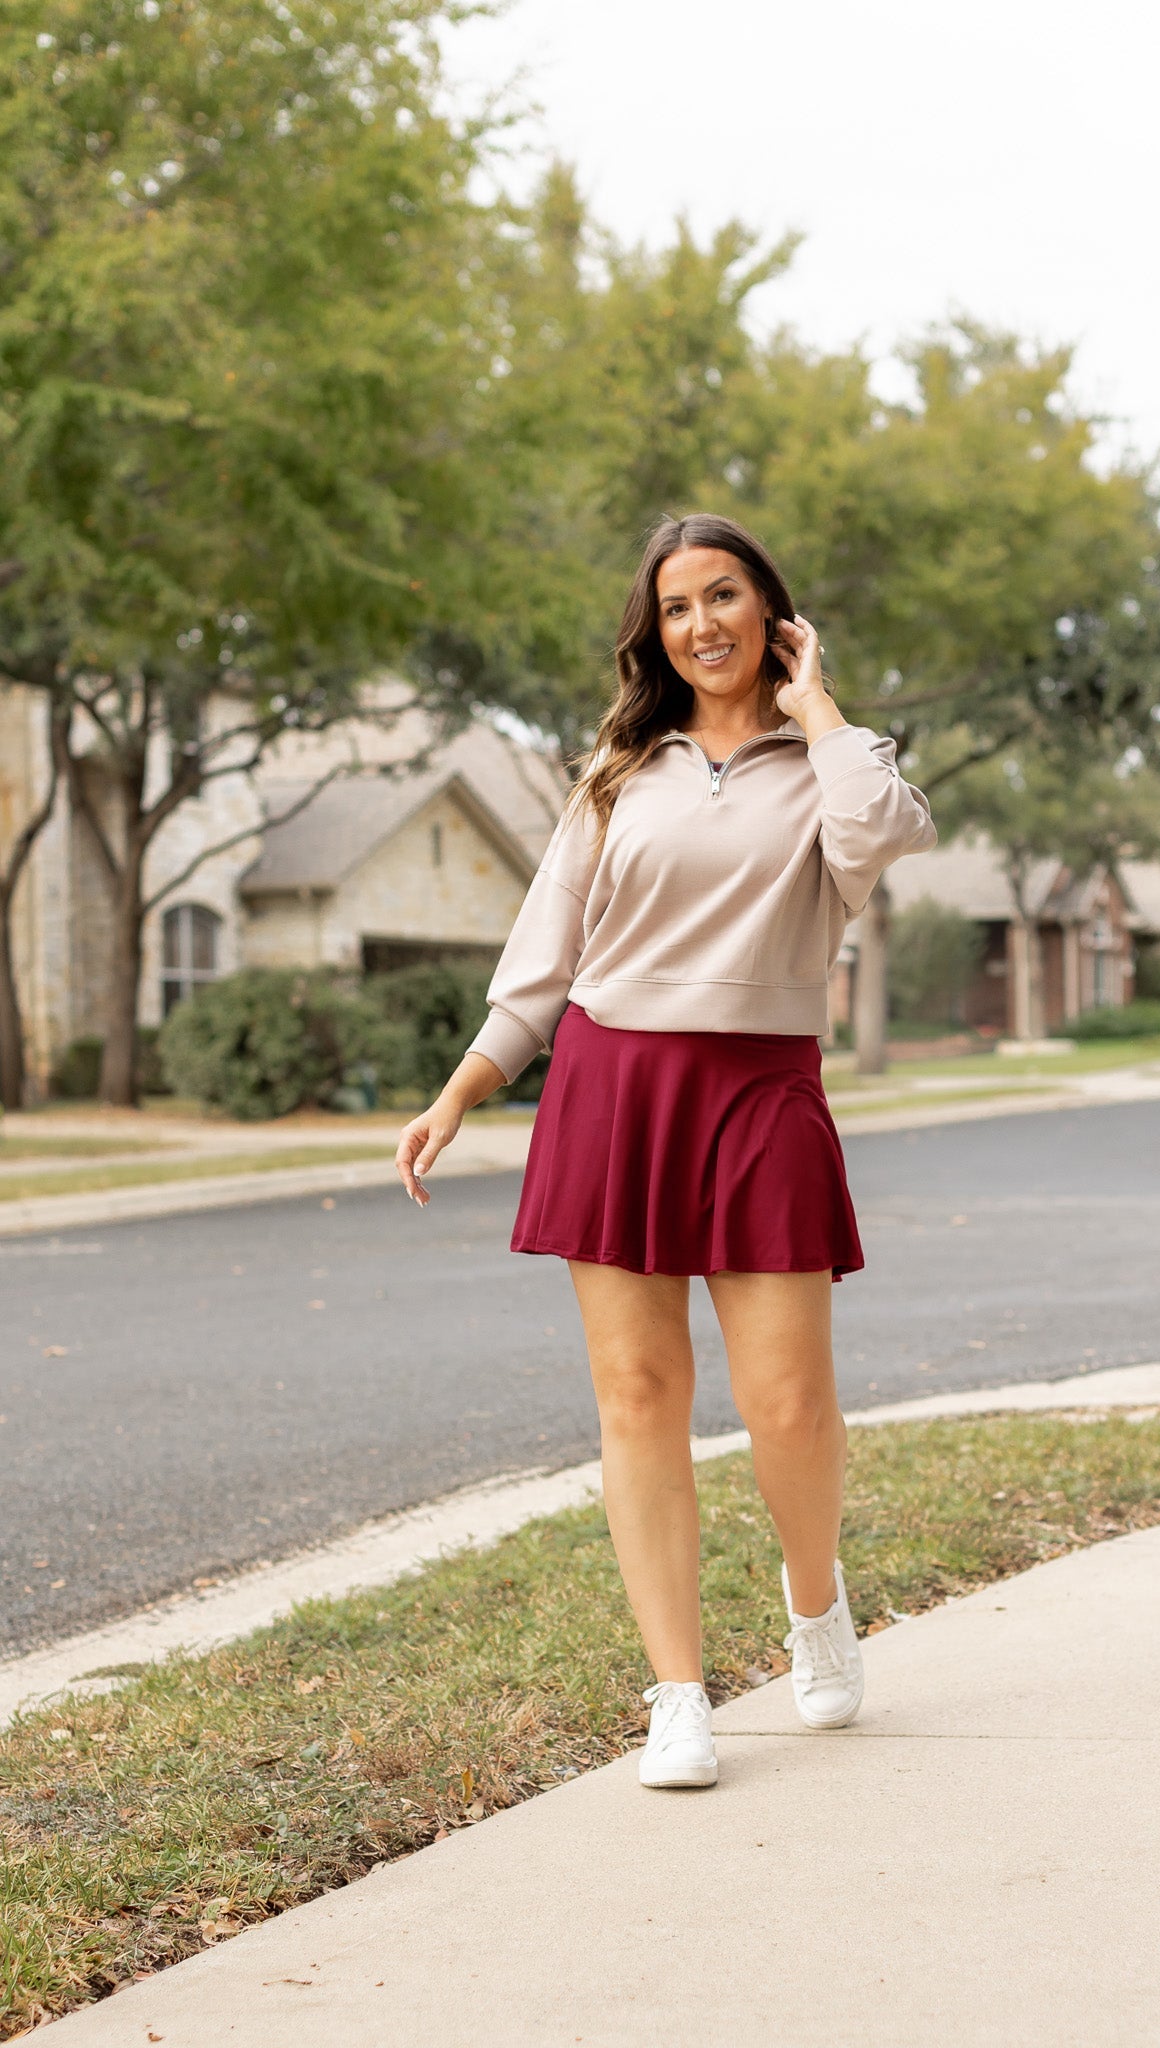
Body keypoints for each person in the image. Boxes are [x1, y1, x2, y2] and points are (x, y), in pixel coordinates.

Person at [394, 513, 936, 1789]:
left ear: (772, 612)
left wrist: (822, 706)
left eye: (726, 595)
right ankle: (678, 1691)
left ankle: (816, 1603)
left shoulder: (834, 768)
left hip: (761, 1087)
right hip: (612, 1083)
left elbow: (885, 835)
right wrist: (463, 1088)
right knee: (638, 1396)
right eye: (678, 604)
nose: (703, 624)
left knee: (788, 1402)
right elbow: (545, 958)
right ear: (657, 630)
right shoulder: (615, 775)